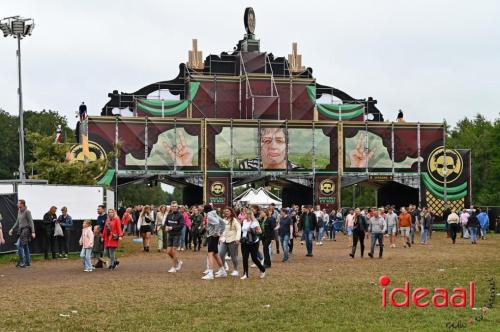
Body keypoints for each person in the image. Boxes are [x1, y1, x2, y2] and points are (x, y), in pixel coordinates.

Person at [8, 200, 36, 268]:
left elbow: (31, 222)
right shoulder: (19, 211)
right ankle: (27, 262)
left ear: (22, 204)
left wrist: (33, 232)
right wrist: (12, 229)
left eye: (18, 203)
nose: (17, 204)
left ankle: (21, 261)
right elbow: (17, 222)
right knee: (25, 246)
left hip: (26, 230)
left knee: (19, 245)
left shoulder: (27, 212)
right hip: (21, 230)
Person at [202, 205, 225, 280]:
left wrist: (216, 233)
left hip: (212, 236)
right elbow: (223, 223)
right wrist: (220, 232)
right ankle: (222, 271)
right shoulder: (214, 214)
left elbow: (217, 223)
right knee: (215, 254)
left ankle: (210, 273)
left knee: (210, 253)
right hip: (214, 236)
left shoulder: (209, 215)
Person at [240, 210, 266, 279]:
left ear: (249, 215)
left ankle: (263, 270)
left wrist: (253, 230)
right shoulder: (244, 221)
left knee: (254, 258)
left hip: (253, 242)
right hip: (245, 241)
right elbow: (242, 230)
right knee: (245, 258)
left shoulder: (255, 222)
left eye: (244, 214)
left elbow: (260, 231)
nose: (243, 215)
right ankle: (245, 274)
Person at [218, 207, 241, 277]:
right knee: (221, 254)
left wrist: (237, 239)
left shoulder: (234, 220)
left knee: (234, 256)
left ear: (231, 212)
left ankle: (236, 270)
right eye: (225, 211)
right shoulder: (223, 220)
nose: (226, 212)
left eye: (227, 211)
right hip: (224, 240)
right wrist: (219, 237)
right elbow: (221, 229)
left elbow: (239, 229)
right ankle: (223, 268)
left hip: (232, 240)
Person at [165, 201, 184, 273]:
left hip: (177, 234)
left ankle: (174, 267)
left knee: (174, 251)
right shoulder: (169, 215)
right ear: (171, 207)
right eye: (172, 206)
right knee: (168, 252)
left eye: (175, 206)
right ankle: (178, 262)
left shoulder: (180, 215)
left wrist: (172, 228)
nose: (174, 207)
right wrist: (166, 227)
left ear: (177, 207)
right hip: (170, 234)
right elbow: (166, 223)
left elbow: (181, 225)